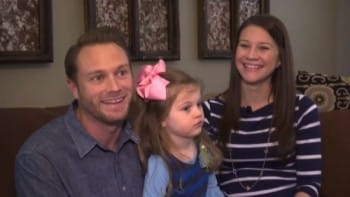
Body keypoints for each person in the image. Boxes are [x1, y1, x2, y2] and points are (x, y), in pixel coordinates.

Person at [202, 14, 322, 197]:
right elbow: (202, 176)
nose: (251, 55)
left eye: (263, 48)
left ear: (280, 59)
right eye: (244, 46)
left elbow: (309, 185)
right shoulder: (209, 112)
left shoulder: (302, 110)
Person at [15, 28, 144, 196]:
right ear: (74, 88)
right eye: (98, 77)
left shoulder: (150, 133)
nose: (115, 87)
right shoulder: (39, 159)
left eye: (121, 73)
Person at [135, 59, 224, 197]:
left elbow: (212, 187)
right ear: (161, 119)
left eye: (199, 104)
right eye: (186, 108)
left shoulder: (203, 149)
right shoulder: (161, 164)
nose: (198, 113)